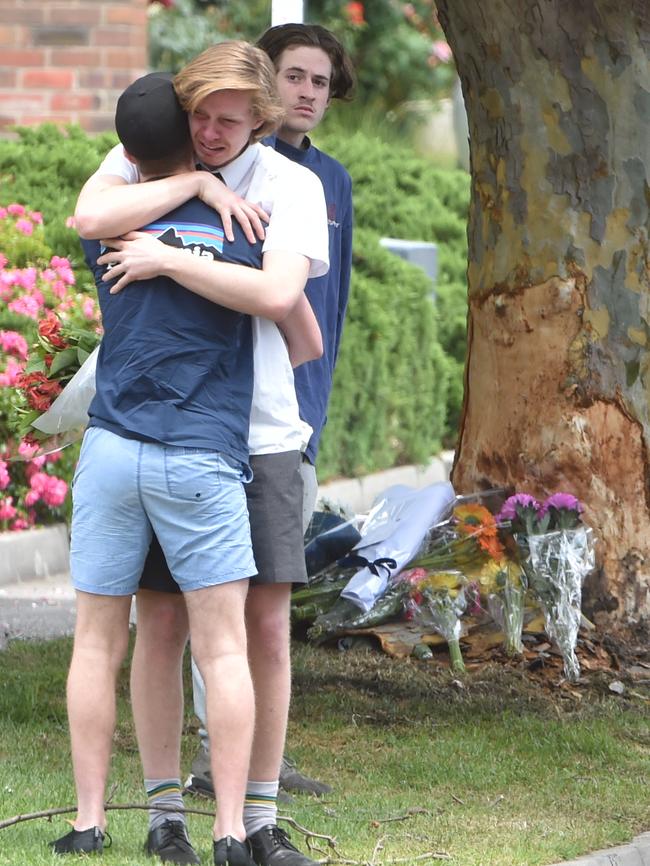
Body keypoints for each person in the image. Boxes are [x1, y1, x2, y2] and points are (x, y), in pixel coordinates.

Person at [62, 48, 328, 866]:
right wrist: (198, 187)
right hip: (178, 442)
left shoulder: (293, 187)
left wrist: (168, 255)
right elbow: (88, 212)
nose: (210, 133)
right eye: (200, 116)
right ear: (181, 115)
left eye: (229, 120)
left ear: (261, 120)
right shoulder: (153, 158)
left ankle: (258, 816)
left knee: (266, 632)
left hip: (260, 433)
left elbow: (284, 300)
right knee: (163, 624)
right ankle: (168, 815)